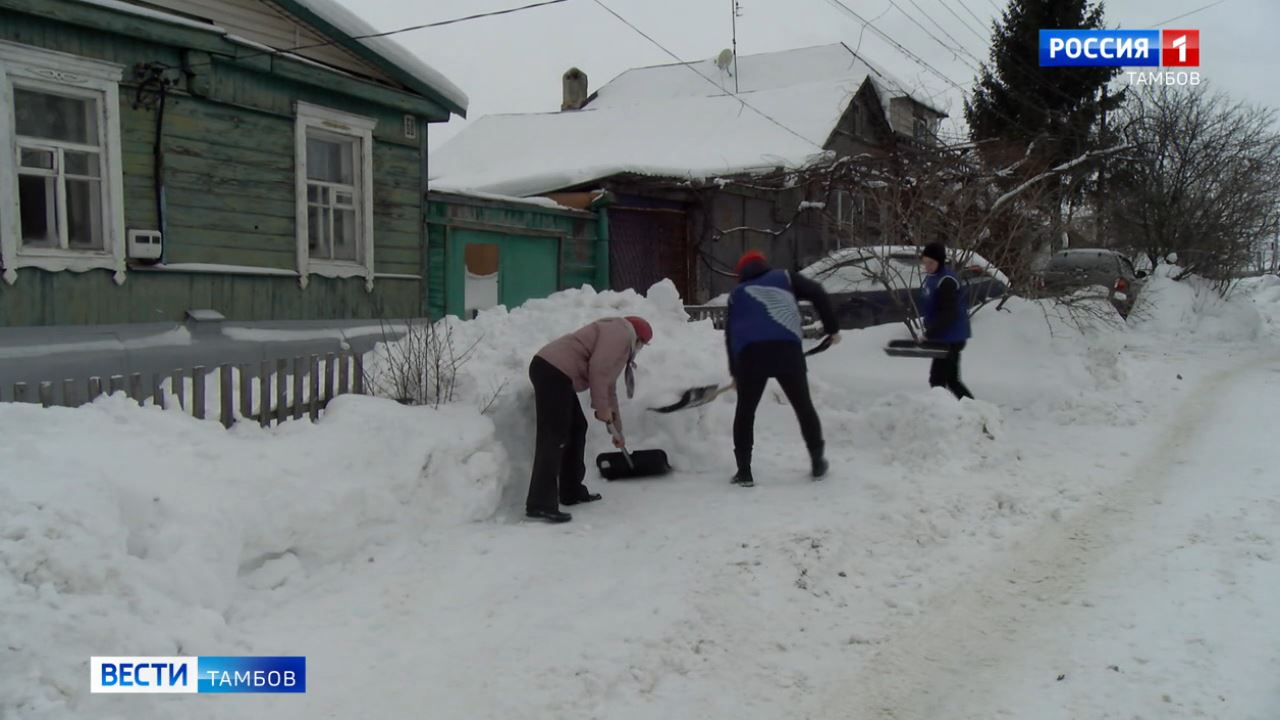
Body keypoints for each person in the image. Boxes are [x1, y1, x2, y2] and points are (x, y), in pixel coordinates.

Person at [724, 250, 840, 488]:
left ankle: (744, 472)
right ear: (764, 264)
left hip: (751, 356)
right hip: (787, 351)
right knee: (803, 407)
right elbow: (817, 292)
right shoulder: (785, 277)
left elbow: (730, 336)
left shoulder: (736, 294)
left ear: (741, 274)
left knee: (745, 413)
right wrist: (832, 328)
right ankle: (818, 462)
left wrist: (736, 372)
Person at [525, 316, 653, 523]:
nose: (641, 349)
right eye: (643, 344)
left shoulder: (620, 346)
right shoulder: (620, 333)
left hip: (558, 373)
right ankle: (540, 504)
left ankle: (571, 490)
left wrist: (617, 431)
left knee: (577, 428)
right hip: (552, 370)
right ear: (638, 338)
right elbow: (598, 370)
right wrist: (601, 409)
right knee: (554, 436)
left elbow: (609, 389)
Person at [919, 241, 974, 400]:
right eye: (925, 262)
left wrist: (929, 333)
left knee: (942, 380)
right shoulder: (934, 277)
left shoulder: (947, 281)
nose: (927, 266)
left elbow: (947, 314)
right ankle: (962, 413)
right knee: (943, 380)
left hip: (952, 337)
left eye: (931, 262)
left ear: (940, 261)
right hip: (944, 335)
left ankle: (974, 413)